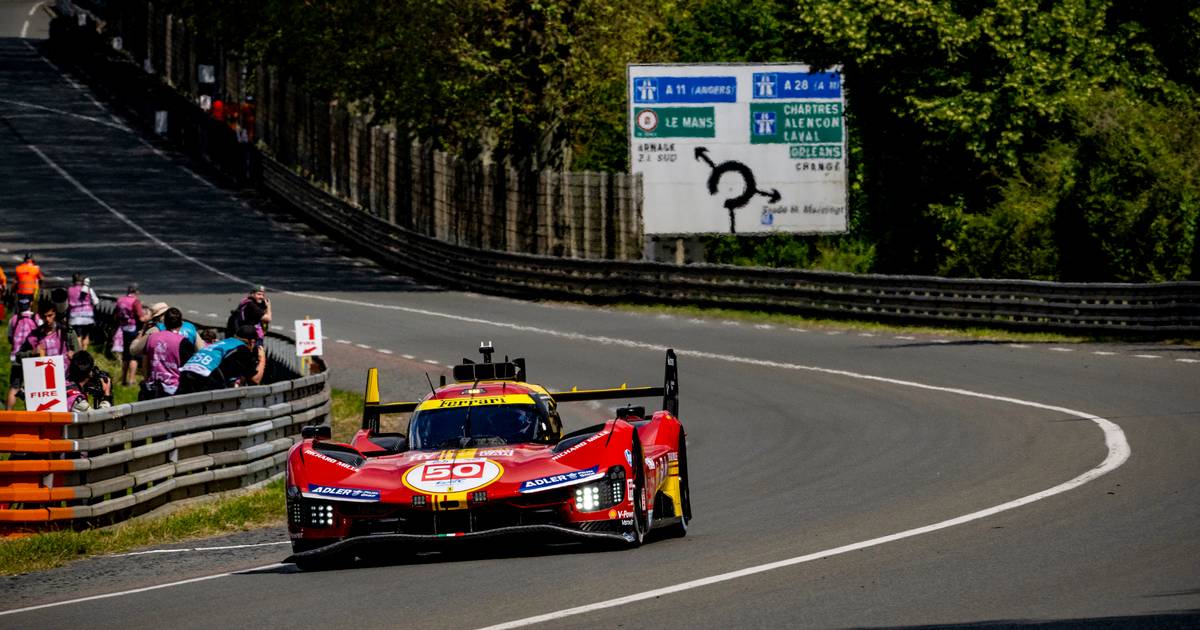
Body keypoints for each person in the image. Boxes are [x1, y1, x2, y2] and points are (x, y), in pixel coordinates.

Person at [177, 325, 265, 394]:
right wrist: (262, 358)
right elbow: (255, 380)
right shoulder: (242, 349)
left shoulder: (224, 343)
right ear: (251, 342)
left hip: (184, 375)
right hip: (201, 380)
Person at [140, 307, 195, 399]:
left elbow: (145, 362)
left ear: (164, 323)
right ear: (181, 324)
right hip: (174, 389)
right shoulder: (183, 342)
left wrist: (146, 382)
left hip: (153, 387)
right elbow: (188, 369)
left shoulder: (151, 338)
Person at [4, 297, 41, 410]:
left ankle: (8, 413)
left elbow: (10, 337)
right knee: (34, 388)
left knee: (14, 387)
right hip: (32, 358)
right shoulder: (36, 318)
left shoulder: (14, 319)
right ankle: (31, 412)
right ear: (30, 305)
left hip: (16, 358)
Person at [113, 284, 148, 385]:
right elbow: (141, 318)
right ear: (136, 292)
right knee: (133, 355)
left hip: (123, 329)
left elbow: (115, 316)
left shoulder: (120, 300)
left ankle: (123, 379)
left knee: (125, 356)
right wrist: (149, 316)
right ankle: (131, 380)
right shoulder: (135, 301)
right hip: (133, 329)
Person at [66, 274, 100, 350]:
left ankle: (78, 351)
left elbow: (67, 303)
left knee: (78, 335)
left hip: (74, 316)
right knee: (86, 335)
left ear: (73, 280)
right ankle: (84, 351)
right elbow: (96, 301)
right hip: (87, 316)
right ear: (82, 281)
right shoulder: (88, 289)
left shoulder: (69, 290)